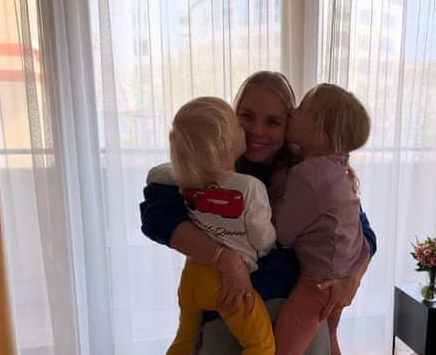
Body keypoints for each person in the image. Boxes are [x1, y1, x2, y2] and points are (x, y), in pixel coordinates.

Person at [140, 71, 377, 354]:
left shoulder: (309, 172)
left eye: (273, 122)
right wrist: (226, 260)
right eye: (247, 116)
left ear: (290, 124)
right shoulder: (209, 164)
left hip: (299, 319)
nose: (258, 131)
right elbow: (155, 216)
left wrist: (352, 278)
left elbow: (361, 229)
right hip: (227, 317)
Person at [158, 97, 276, 354]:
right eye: (239, 125)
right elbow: (262, 238)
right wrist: (271, 245)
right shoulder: (250, 187)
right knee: (260, 344)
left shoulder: (184, 179)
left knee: (185, 338)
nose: (245, 130)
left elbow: (154, 174)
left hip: (191, 277)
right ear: (226, 143)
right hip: (224, 283)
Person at [273, 84, 370, 355]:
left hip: (317, 284)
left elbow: (281, 234)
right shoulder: (336, 169)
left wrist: (276, 192)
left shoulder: (307, 175)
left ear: (319, 135)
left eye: (301, 109)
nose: (292, 112)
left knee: (281, 351)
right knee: (330, 340)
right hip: (340, 276)